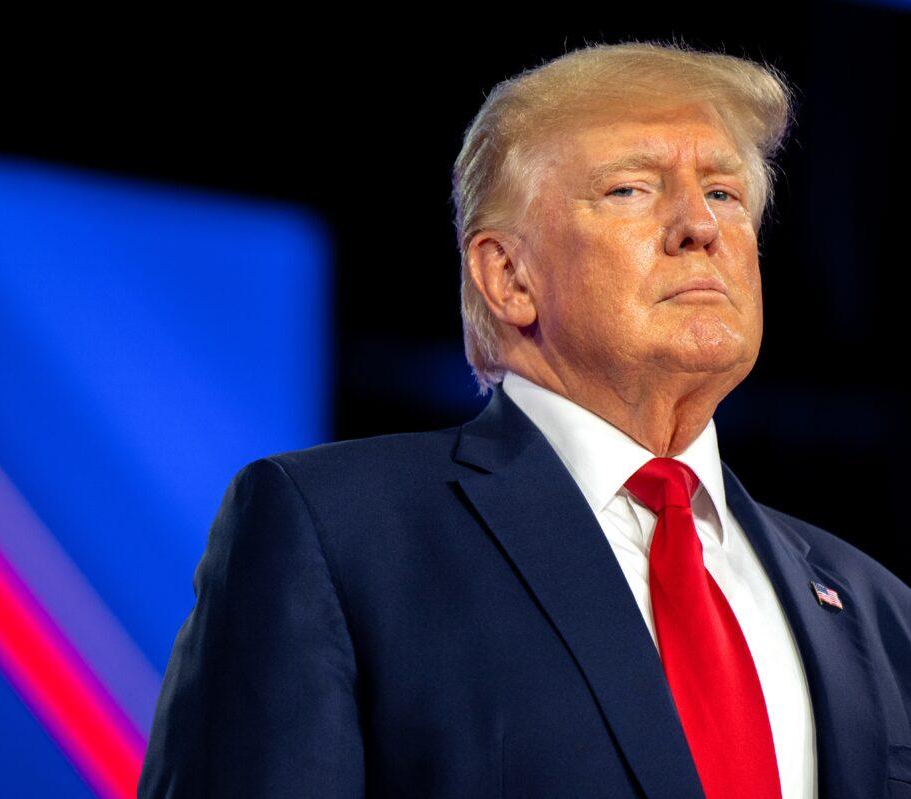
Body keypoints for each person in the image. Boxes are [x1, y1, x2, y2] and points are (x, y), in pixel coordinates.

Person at [137, 41, 911, 799]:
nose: (699, 227)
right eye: (631, 189)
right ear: (508, 277)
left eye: (723, 193)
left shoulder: (878, 609)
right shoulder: (337, 534)